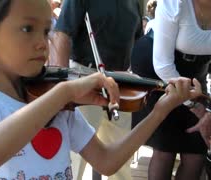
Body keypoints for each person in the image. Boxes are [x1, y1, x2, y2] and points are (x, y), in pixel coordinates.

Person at [0, 0, 205, 179]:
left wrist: (158, 113)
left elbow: (107, 162)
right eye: (28, 28)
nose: (43, 43)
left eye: (46, 30)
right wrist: (64, 92)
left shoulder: (59, 109)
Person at [132, 0, 211, 179]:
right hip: (157, 68)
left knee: (197, 151)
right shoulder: (174, 3)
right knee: (165, 149)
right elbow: (163, 65)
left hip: (196, 70)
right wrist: (195, 105)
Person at [49, 0, 143, 179]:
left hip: (121, 81)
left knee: (122, 156)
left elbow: (136, 40)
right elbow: (62, 34)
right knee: (76, 158)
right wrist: (61, 91)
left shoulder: (135, 3)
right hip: (85, 77)